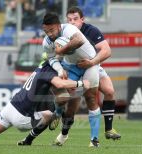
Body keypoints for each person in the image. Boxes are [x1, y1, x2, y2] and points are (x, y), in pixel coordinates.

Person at [0, 62, 90, 146]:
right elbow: (59, 83)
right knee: (49, 115)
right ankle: (28, 140)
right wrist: (80, 83)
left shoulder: (40, 67)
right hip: (21, 118)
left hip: (10, 107)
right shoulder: (50, 72)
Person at [19, 12, 101, 147]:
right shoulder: (46, 41)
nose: (49, 34)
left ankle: (94, 139)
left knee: (91, 99)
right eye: (46, 31)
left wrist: (61, 50)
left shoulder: (68, 29)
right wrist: (59, 70)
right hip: (71, 66)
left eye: (51, 30)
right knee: (61, 96)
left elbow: (79, 40)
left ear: (58, 26)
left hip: (89, 64)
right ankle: (57, 112)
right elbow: (51, 58)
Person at [52, 6, 121, 146]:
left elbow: (107, 51)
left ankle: (107, 130)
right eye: (69, 19)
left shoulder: (91, 30)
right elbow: (54, 54)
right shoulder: (63, 32)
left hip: (91, 65)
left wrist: (92, 62)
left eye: (75, 19)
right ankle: (63, 135)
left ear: (82, 20)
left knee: (108, 91)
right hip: (73, 68)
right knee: (70, 105)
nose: (72, 22)